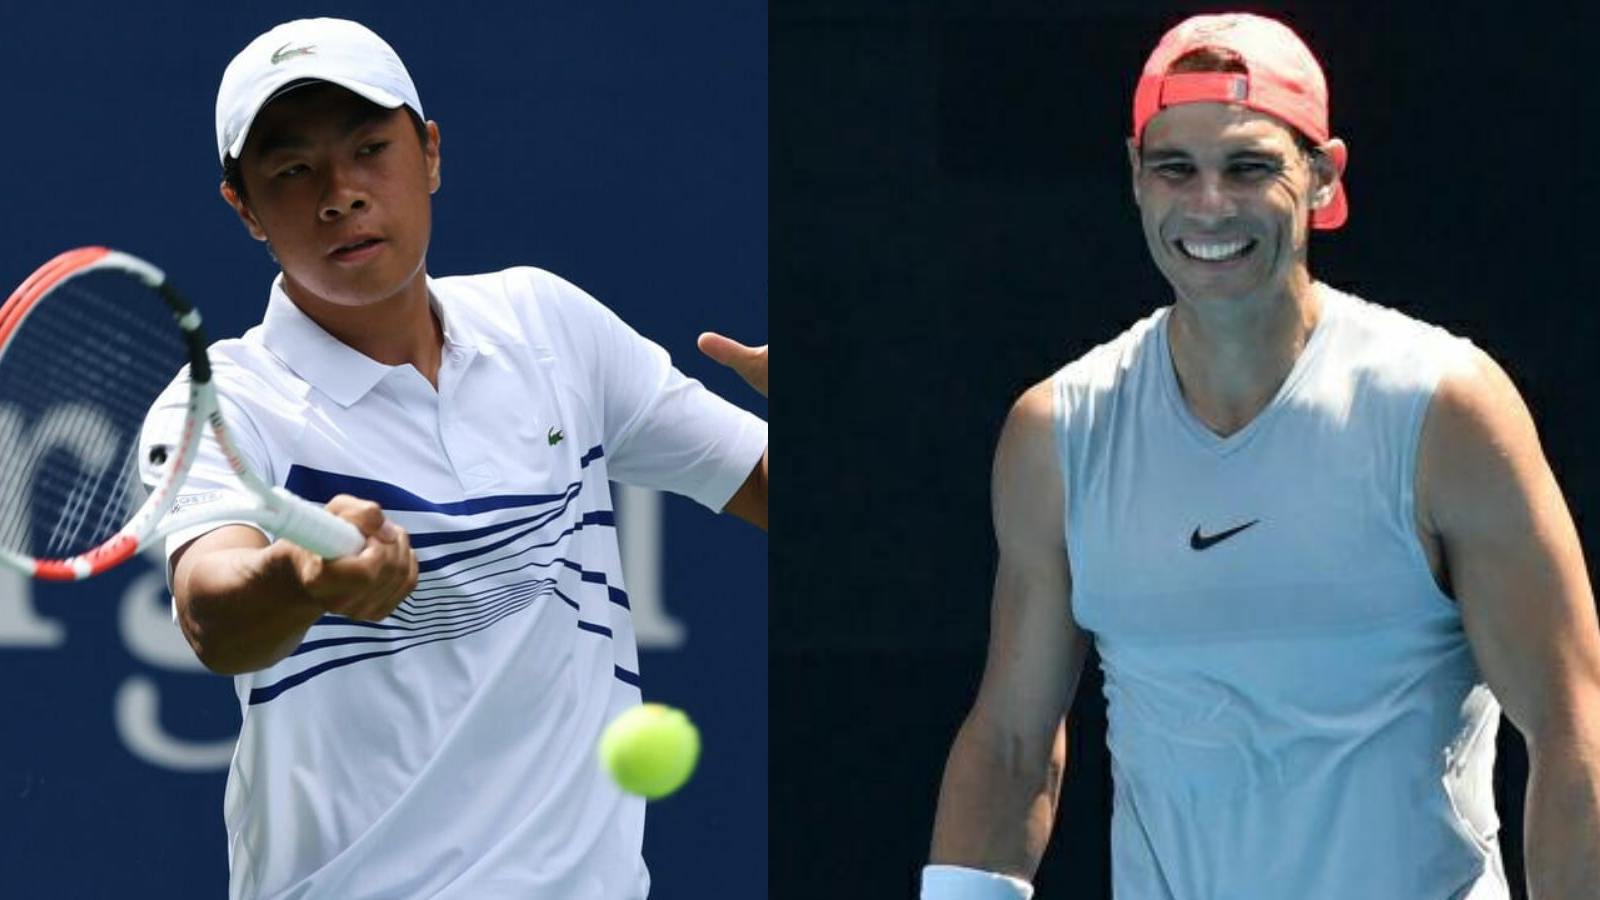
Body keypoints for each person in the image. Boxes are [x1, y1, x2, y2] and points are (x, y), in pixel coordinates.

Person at [923, 12, 1600, 899]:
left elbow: (1571, 726)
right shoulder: (1059, 432)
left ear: (1322, 178)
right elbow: (1013, 746)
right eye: (1177, 169)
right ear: (1136, 176)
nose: (1210, 206)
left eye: (1249, 168)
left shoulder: (1444, 408)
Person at [136, 17, 767, 900]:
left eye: (369, 150)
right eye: (291, 169)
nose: (340, 194)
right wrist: (300, 579)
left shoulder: (550, 327)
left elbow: (774, 489)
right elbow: (212, 614)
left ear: (429, 154)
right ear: (242, 207)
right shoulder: (222, 403)